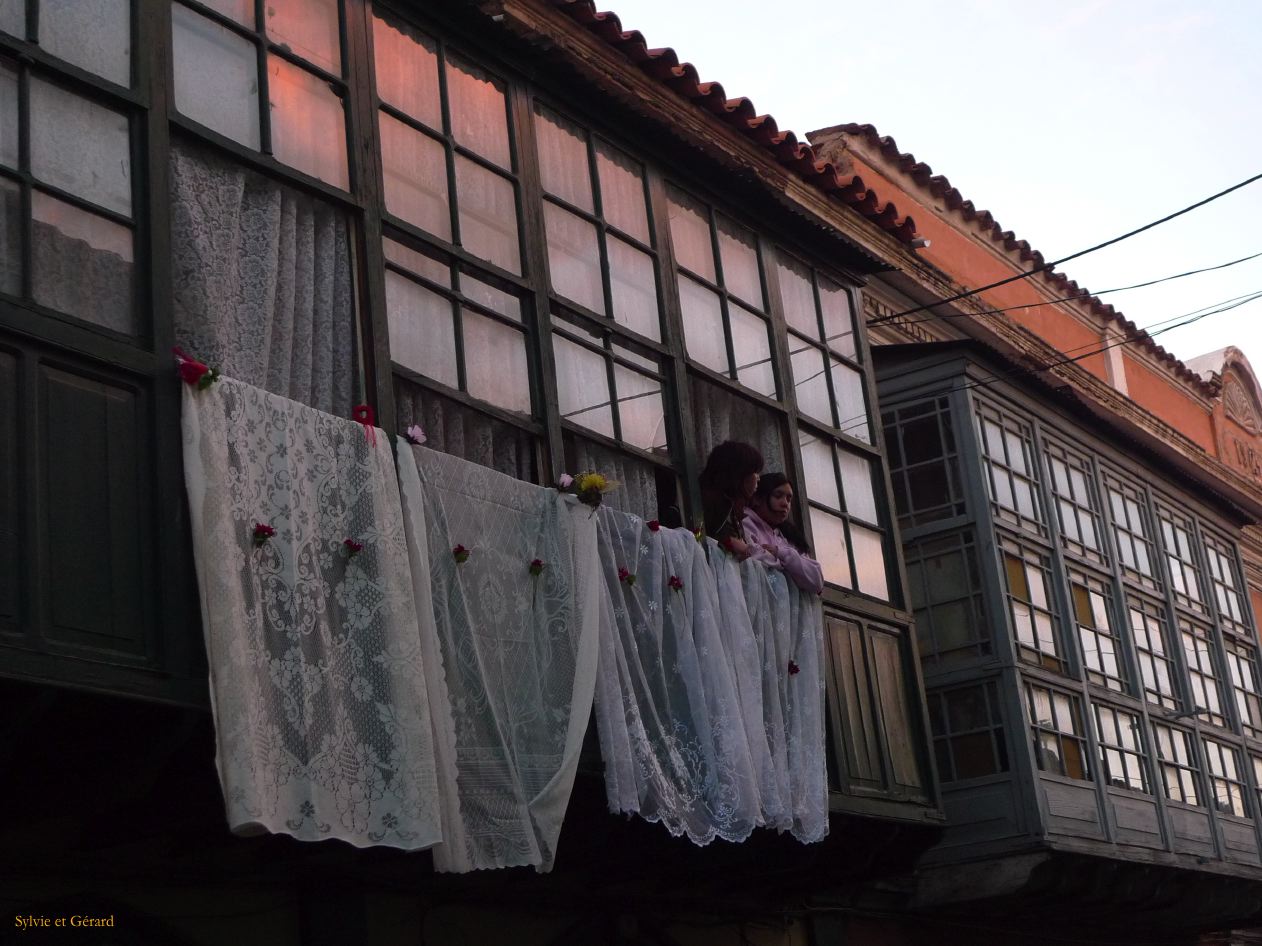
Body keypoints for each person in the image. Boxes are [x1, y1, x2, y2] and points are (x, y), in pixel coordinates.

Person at [743, 472, 824, 595]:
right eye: (778, 496)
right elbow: (752, 558)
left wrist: (780, 553)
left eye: (789, 499)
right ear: (757, 498)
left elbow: (816, 582)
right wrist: (793, 569)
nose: (785, 503)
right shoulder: (745, 523)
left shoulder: (789, 538)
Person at [698, 440, 763, 560]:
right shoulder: (707, 501)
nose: (758, 478)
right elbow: (694, 535)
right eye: (755, 472)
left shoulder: (732, 506)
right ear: (739, 473)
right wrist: (727, 542)